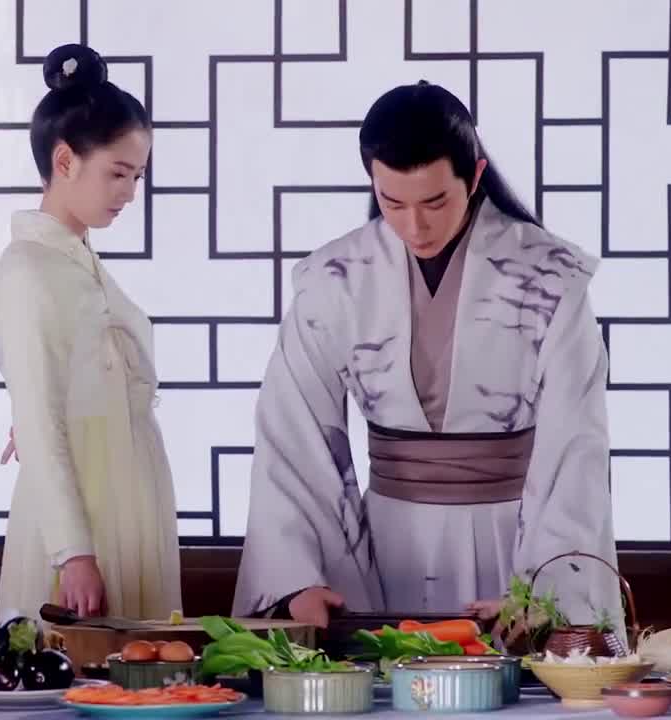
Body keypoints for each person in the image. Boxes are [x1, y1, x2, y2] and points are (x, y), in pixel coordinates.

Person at [232, 80, 623, 637]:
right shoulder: (334, 279)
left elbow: (575, 444)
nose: (414, 226)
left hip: (512, 540)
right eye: (392, 203)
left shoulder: (551, 277)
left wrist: (544, 592)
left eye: (435, 202)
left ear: (476, 176)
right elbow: (291, 432)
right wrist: (298, 578)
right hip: (386, 543)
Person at [0, 43, 182, 621]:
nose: (130, 193)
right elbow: (39, 419)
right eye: (117, 173)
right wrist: (73, 553)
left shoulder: (77, 262)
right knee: (76, 658)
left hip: (126, 489)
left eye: (137, 176)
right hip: (83, 510)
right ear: (65, 160)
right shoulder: (28, 271)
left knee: (141, 659)